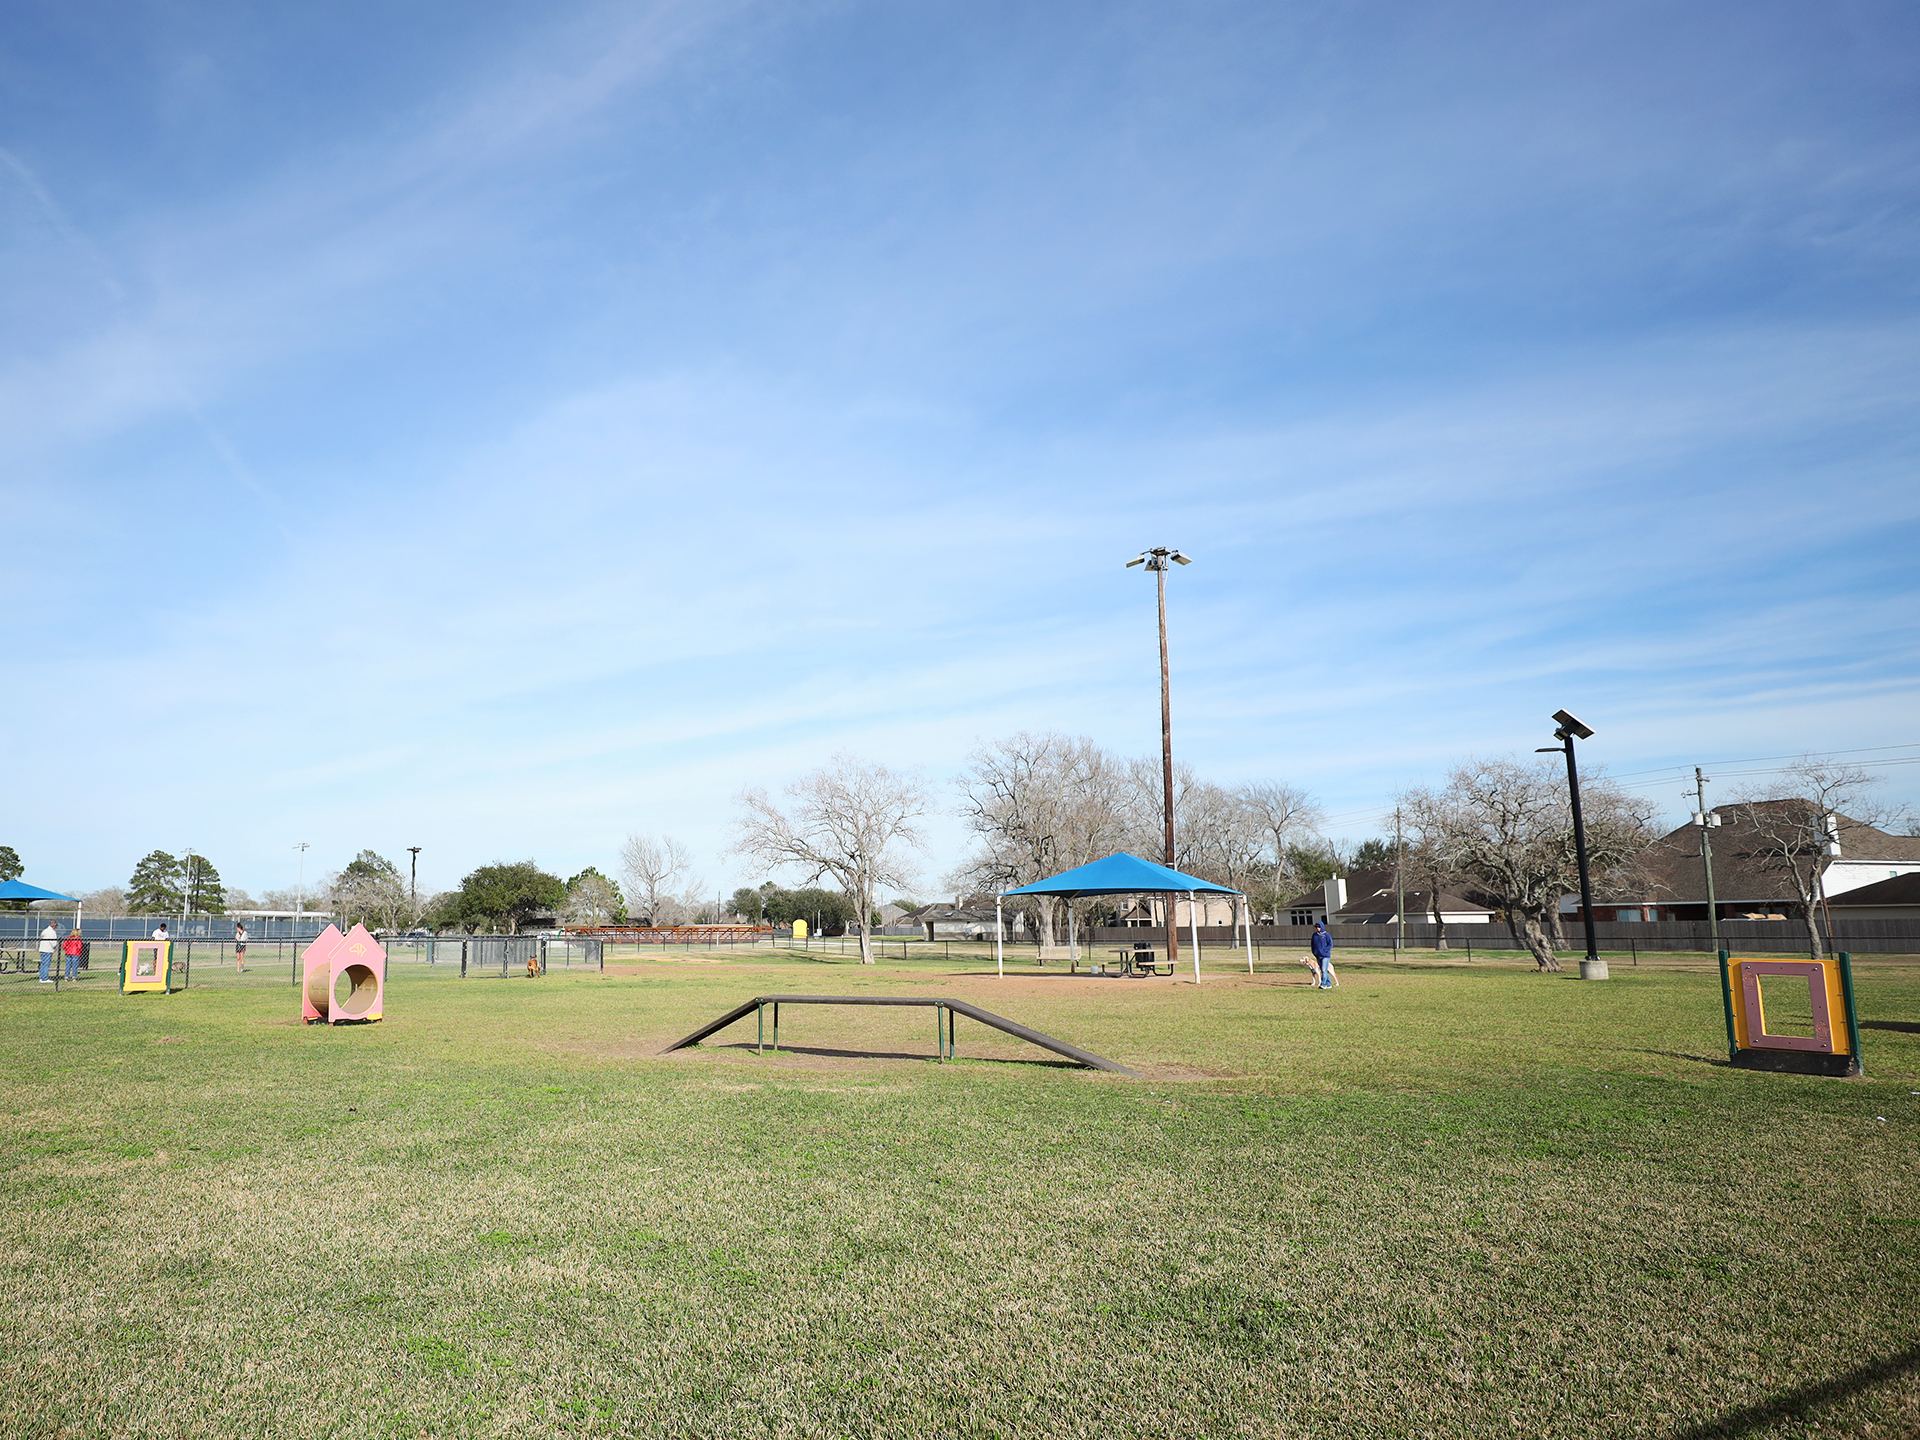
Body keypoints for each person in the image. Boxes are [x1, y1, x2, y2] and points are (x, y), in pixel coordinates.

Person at [1310, 921, 1337, 990]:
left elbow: (1330, 944)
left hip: (1325, 956)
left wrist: (1325, 950)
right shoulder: (1314, 935)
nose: (1317, 928)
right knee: (1323, 970)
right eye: (1316, 927)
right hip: (1318, 955)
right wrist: (1314, 952)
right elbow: (1312, 945)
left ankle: (1323, 984)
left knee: (1324, 970)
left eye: (1319, 927)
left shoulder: (1326, 935)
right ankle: (1329, 984)